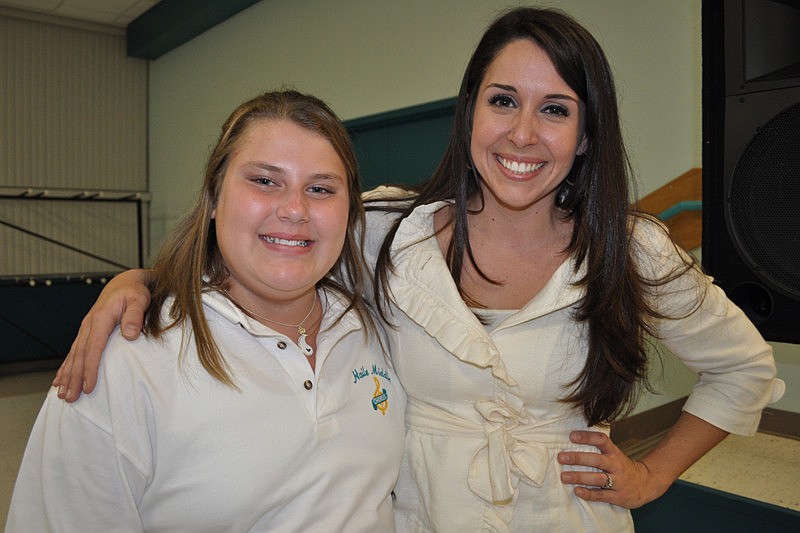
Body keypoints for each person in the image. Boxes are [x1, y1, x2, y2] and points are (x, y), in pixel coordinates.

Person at [52, 7, 784, 532]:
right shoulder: (387, 231)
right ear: (471, 113)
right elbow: (272, 243)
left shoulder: (631, 250)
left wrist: (652, 474)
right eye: (503, 101)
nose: (522, 133)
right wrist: (140, 282)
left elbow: (743, 369)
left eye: (556, 110)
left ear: (587, 134)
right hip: (419, 514)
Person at [7, 90, 405, 532]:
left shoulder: (375, 325)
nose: (295, 209)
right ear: (214, 197)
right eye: (265, 181)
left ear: (349, 210)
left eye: (321, 189)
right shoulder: (127, 360)